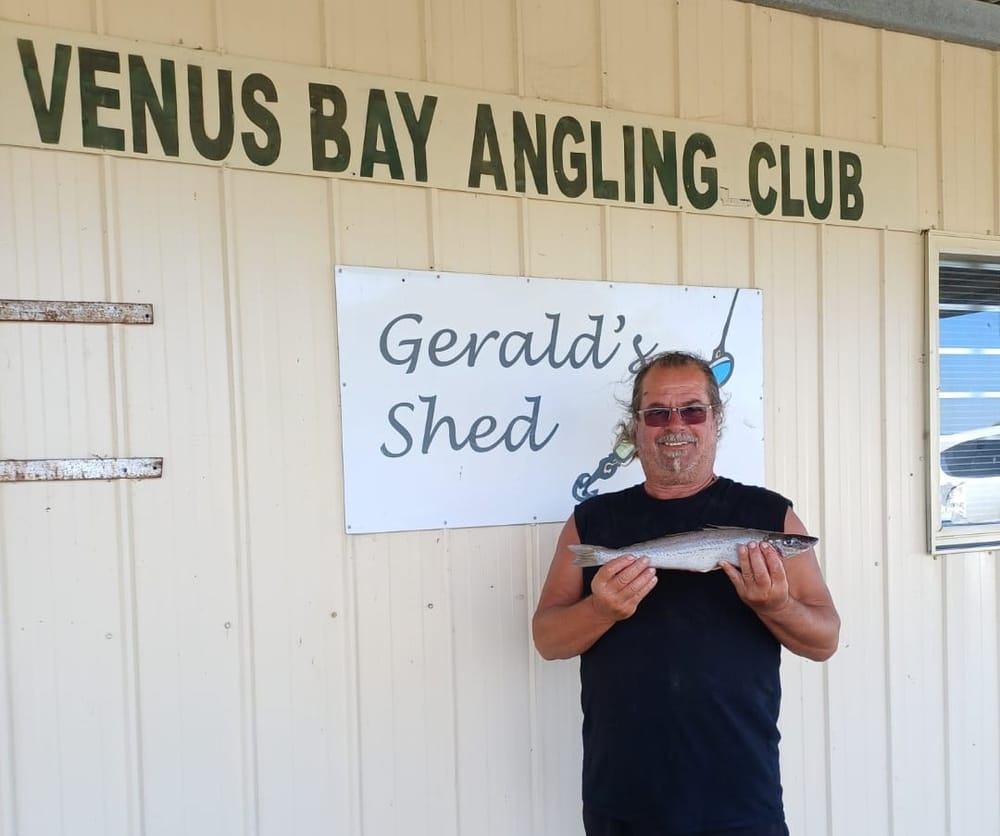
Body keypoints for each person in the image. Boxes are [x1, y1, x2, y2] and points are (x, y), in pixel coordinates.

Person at [532, 350, 840, 836]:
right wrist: (601, 609)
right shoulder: (591, 522)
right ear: (635, 426)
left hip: (740, 797)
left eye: (692, 410)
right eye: (657, 413)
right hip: (621, 798)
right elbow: (548, 639)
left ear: (715, 420)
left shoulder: (771, 517)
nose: (675, 425)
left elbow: (824, 641)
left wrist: (776, 605)